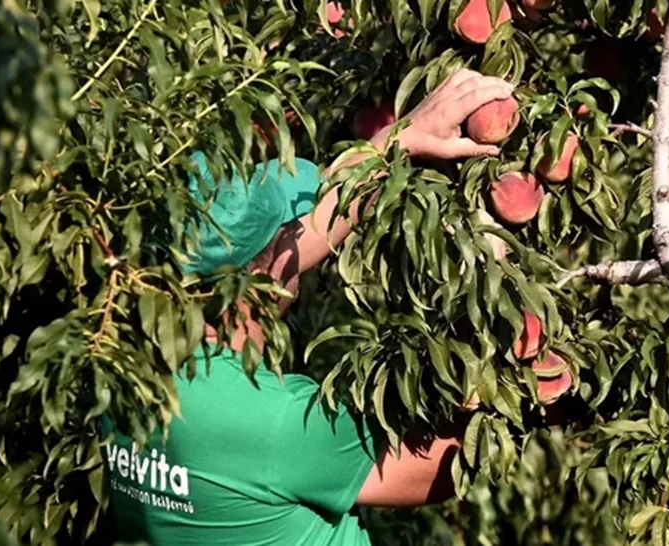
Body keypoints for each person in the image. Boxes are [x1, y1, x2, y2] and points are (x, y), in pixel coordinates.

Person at [99, 69, 516, 546]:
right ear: (257, 281)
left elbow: (281, 248)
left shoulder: (123, 360)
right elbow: (442, 465)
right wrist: (489, 286)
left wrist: (397, 143)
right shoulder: (280, 426)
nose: (304, 235)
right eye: (288, 228)